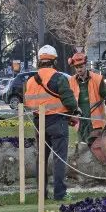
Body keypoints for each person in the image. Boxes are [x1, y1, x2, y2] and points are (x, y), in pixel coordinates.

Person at [24, 45, 80, 202]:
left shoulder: (31, 81)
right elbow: (69, 101)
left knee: (41, 158)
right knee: (59, 158)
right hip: (57, 122)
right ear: (54, 61)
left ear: (40, 60)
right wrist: (75, 111)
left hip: (39, 122)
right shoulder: (59, 78)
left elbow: (28, 101)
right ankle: (60, 193)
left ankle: (42, 192)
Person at [67, 52, 106, 144]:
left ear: (85, 65)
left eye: (81, 66)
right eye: (77, 67)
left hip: (95, 123)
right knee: (82, 147)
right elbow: (68, 99)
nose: (79, 69)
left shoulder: (97, 79)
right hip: (80, 121)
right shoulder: (71, 81)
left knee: (96, 146)